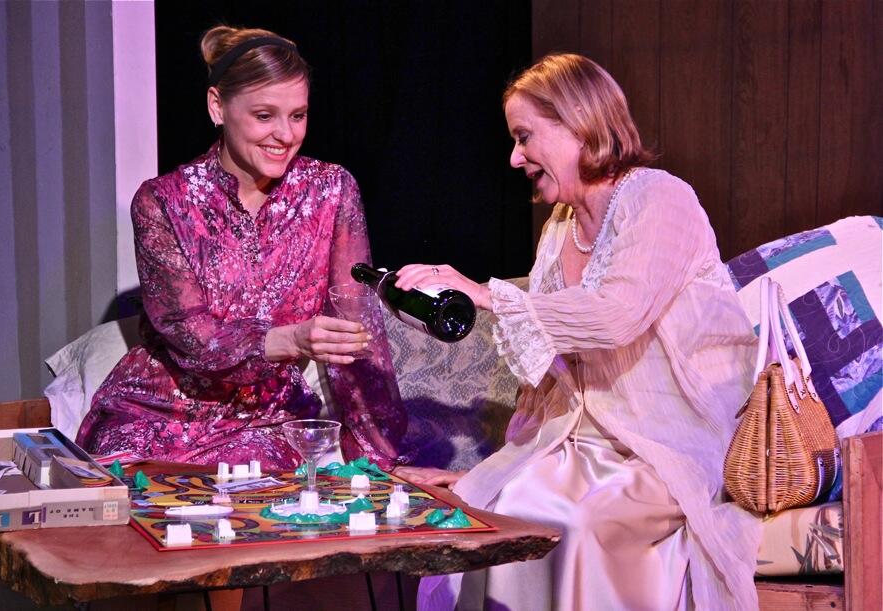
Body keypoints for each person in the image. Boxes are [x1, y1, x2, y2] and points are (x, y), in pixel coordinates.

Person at [393, 54, 761, 610]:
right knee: (495, 513)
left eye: (524, 137)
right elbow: (551, 372)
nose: (515, 157)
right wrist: (493, 468)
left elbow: (615, 316)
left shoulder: (660, 198)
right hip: (576, 443)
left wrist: (487, 294)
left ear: (578, 124)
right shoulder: (559, 229)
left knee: (576, 521)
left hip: (662, 444)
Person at [76, 26, 407, 472]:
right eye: (264, 115)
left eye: (298, 115)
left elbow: (357, 331)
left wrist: (378, 462)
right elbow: (190, 335)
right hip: (156, 413)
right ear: (217, 106)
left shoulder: (331, 191)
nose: (285, 135)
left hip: (263, 423)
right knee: (128, 493)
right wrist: (291, 338)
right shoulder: (163, 202)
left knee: (249, 493)